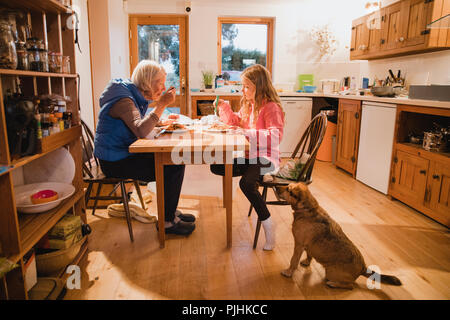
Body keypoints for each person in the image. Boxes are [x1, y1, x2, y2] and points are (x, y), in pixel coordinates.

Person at [94, 60, 195, 236]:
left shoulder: (130, 95)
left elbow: (136, 125)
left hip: (121, 153)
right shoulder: (124, 100)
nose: (163, 88)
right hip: (114, 161)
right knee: (173, 165)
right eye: (160, 83)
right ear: (147, 81)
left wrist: (160, 121)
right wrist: (161, 105)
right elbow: (140, 129)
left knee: (175, 160)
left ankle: (168, 212)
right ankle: (167, 222)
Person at [210, 64, 284, 250]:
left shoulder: (271, 107)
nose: (242, 90)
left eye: (246, 86)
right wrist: (225, 108)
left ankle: (268, 223)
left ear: (259, 86)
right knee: (217, 166)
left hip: (268, 158)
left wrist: (247, 133)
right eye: (242, 86)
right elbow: (237, 123)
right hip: (251, 156)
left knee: (246, 183)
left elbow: (275, 137)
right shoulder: (249, 105)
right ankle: (258, 175)